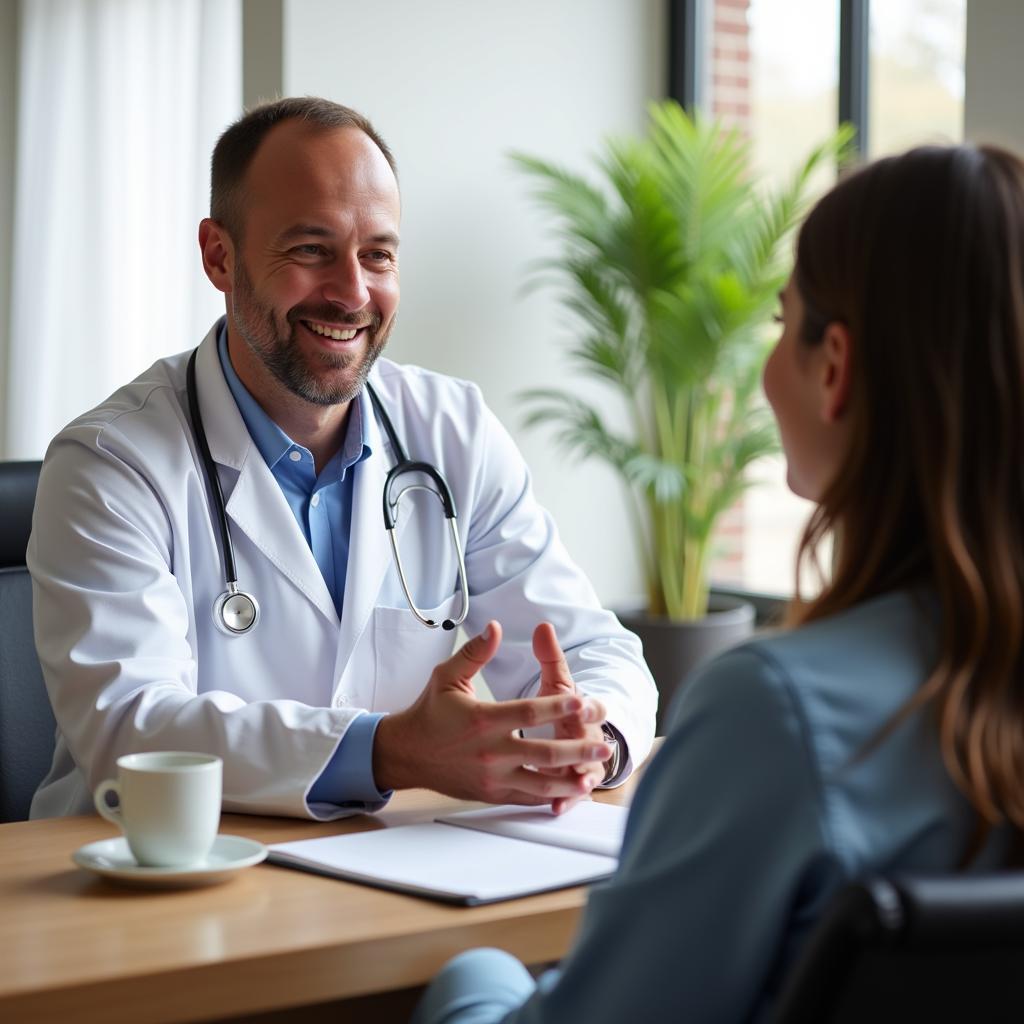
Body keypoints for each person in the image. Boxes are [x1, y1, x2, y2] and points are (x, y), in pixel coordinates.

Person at [412, 142, 1024, 1023]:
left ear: (835, 366)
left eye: (783, 323)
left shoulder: (776, 712)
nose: (768, 369)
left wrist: (478, 981)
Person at [27, 97, 657, 820]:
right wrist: (392, 751)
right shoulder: (110, 463)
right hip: (150, 884)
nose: (353, 292)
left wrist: (590, 737)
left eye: (378, 254)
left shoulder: (453, 430)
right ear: (219, 257)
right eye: (310, 250)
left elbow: (592, 646)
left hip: (386, 868)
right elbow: (132, 727)